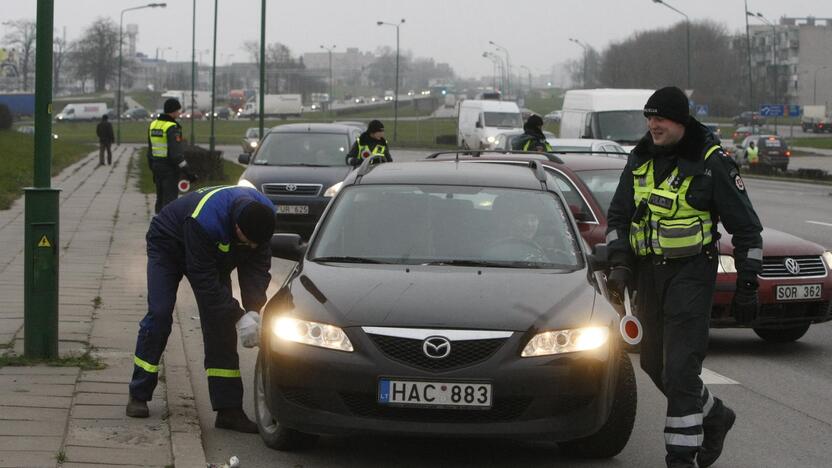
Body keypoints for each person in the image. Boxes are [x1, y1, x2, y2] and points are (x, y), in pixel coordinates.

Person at [604, 86, 763, 468]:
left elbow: (747, 230)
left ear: (680, 121)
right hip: (649, 277)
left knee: (679, 369)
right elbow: (618, 218)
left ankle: (681, 456)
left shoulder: (712, 162)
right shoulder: (639, 158)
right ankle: (715, 415)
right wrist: (621, 263)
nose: (652, 125)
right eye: (648, 117)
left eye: (659, 118)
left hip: (692, 274)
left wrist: (747, 286)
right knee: (654, 366)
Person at [126, 185, 276, 434]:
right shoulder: (206, 220)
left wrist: (254, 311)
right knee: (160, 314)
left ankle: (229, 411)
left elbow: (257, 269)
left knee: (220, 327)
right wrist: (239, 317)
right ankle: (139, 393)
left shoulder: (263, 219)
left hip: (212, 255)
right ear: (237, 227)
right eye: (246, 242)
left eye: (254, 244)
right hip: (169, 245)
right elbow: (204, 282)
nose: (250, 247)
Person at [148, 98, 195, 214]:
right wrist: (188, 172)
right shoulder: (172, 128)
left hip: (156, 167)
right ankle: (167, 227)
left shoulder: (153, 125)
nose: (179, 113)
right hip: (169, 169)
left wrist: (153, 168)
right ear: (173, 111)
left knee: (160, 198)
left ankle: (158, 223)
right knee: (170, 201)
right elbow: (176, 155)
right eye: (178, 111)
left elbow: (150, 151)